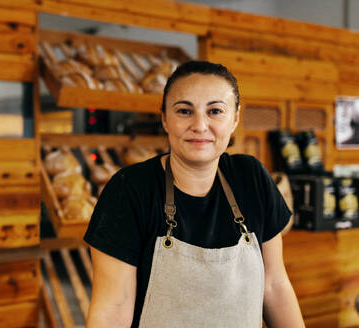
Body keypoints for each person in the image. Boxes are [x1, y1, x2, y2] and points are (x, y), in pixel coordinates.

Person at [84, 61, 305, 328]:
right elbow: (113, 307)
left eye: (215, 111)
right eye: (184, 111)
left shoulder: (251, 178)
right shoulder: (129, 190)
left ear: (234, 118)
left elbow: (275, 285)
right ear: (165, 118)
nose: (200, 125)